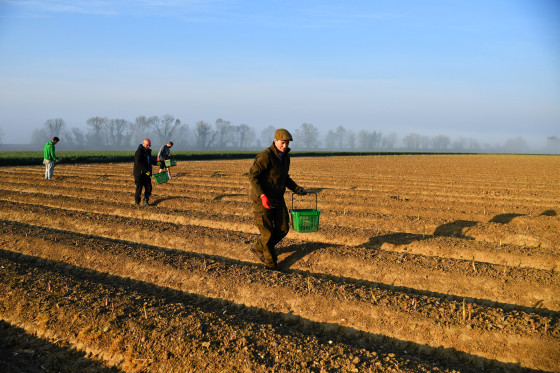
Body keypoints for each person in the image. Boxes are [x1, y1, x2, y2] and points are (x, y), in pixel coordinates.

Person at [248, 128, 307, 269]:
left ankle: (258, 246)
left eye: (287, 143)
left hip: (278, 198)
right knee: (267, 233)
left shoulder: (286, 157)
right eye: (282, 143)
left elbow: (284, 177)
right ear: (275, 141)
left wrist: (296, 188)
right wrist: (262, 196)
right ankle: (271, 266)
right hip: (262, 199)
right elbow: (252, 176)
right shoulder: (265, 156)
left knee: (283, 228)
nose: (285, 146)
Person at [133, 138, 156, 206]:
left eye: (149, 145)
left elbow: (150, 160)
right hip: (139, 174)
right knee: (139, 188)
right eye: (147, 145)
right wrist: (146, 170)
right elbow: (138, 162)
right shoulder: (139, 152)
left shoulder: (148, 152)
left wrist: (158, 163)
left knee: (149, 188)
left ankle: (146, 200)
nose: (148, 146)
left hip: (146, 174)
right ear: (143, 144)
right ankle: (137, 202)